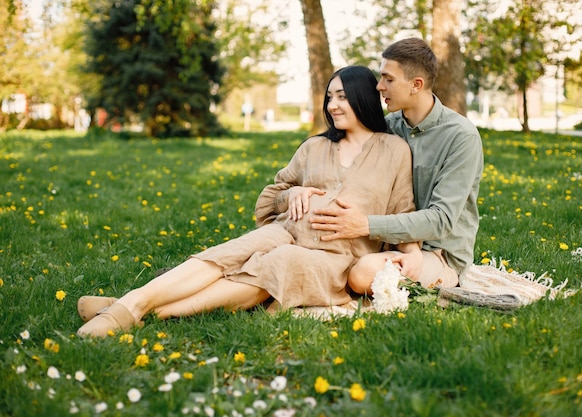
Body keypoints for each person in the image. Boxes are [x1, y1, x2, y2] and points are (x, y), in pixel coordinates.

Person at [76, 65, 417, 338]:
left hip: (337, 255)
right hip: (287, 230)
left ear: (362, 97)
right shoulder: (315, 146)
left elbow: (404, 214)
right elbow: (272, 197)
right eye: (329, 97)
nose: (332, 105)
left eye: (342, 97)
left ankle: (139, 311)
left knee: (280, 262)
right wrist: (291, 195)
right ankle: (133, 304)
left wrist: (411, 262)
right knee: (230, 252)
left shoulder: (394, 151)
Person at [310, 38, 484, 294]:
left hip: (436, 252)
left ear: (416, 85)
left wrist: (366, 225)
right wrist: (300, 190)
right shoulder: (387, 128)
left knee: (363, 274)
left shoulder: (460, 137)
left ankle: (441, 279)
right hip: (382, 244)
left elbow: (441, 219)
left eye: (388, 79)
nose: (379, 86)